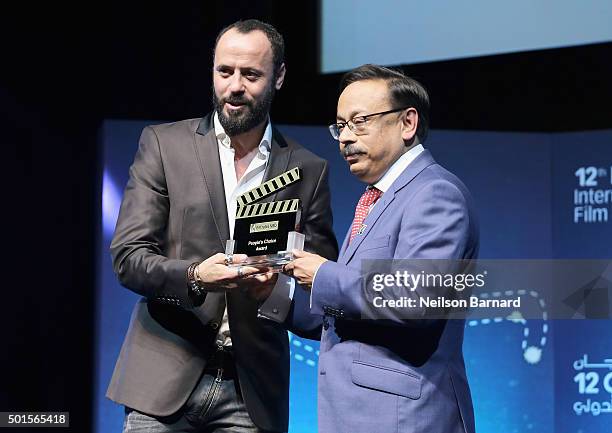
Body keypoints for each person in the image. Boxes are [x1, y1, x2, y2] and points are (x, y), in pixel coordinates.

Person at [107, 19, 337, 433]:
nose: (234, 87)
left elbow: (321, 298)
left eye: (251, 75)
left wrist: (275, 294)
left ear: (279, 77)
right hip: (162, 379)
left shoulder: (308, 170)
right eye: (224, 71)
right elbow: (129, 258)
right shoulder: (164, 145)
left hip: (250, 394)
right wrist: (196, 276)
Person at [284, 64, 479, 433]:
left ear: (407, 123)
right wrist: (275, 294)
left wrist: (322, 273)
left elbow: (415, 299)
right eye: (340, 126)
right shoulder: (377, 199)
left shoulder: (435, 194)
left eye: (359, 122)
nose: (345, 138)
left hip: (405, 419)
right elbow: (349, 315)